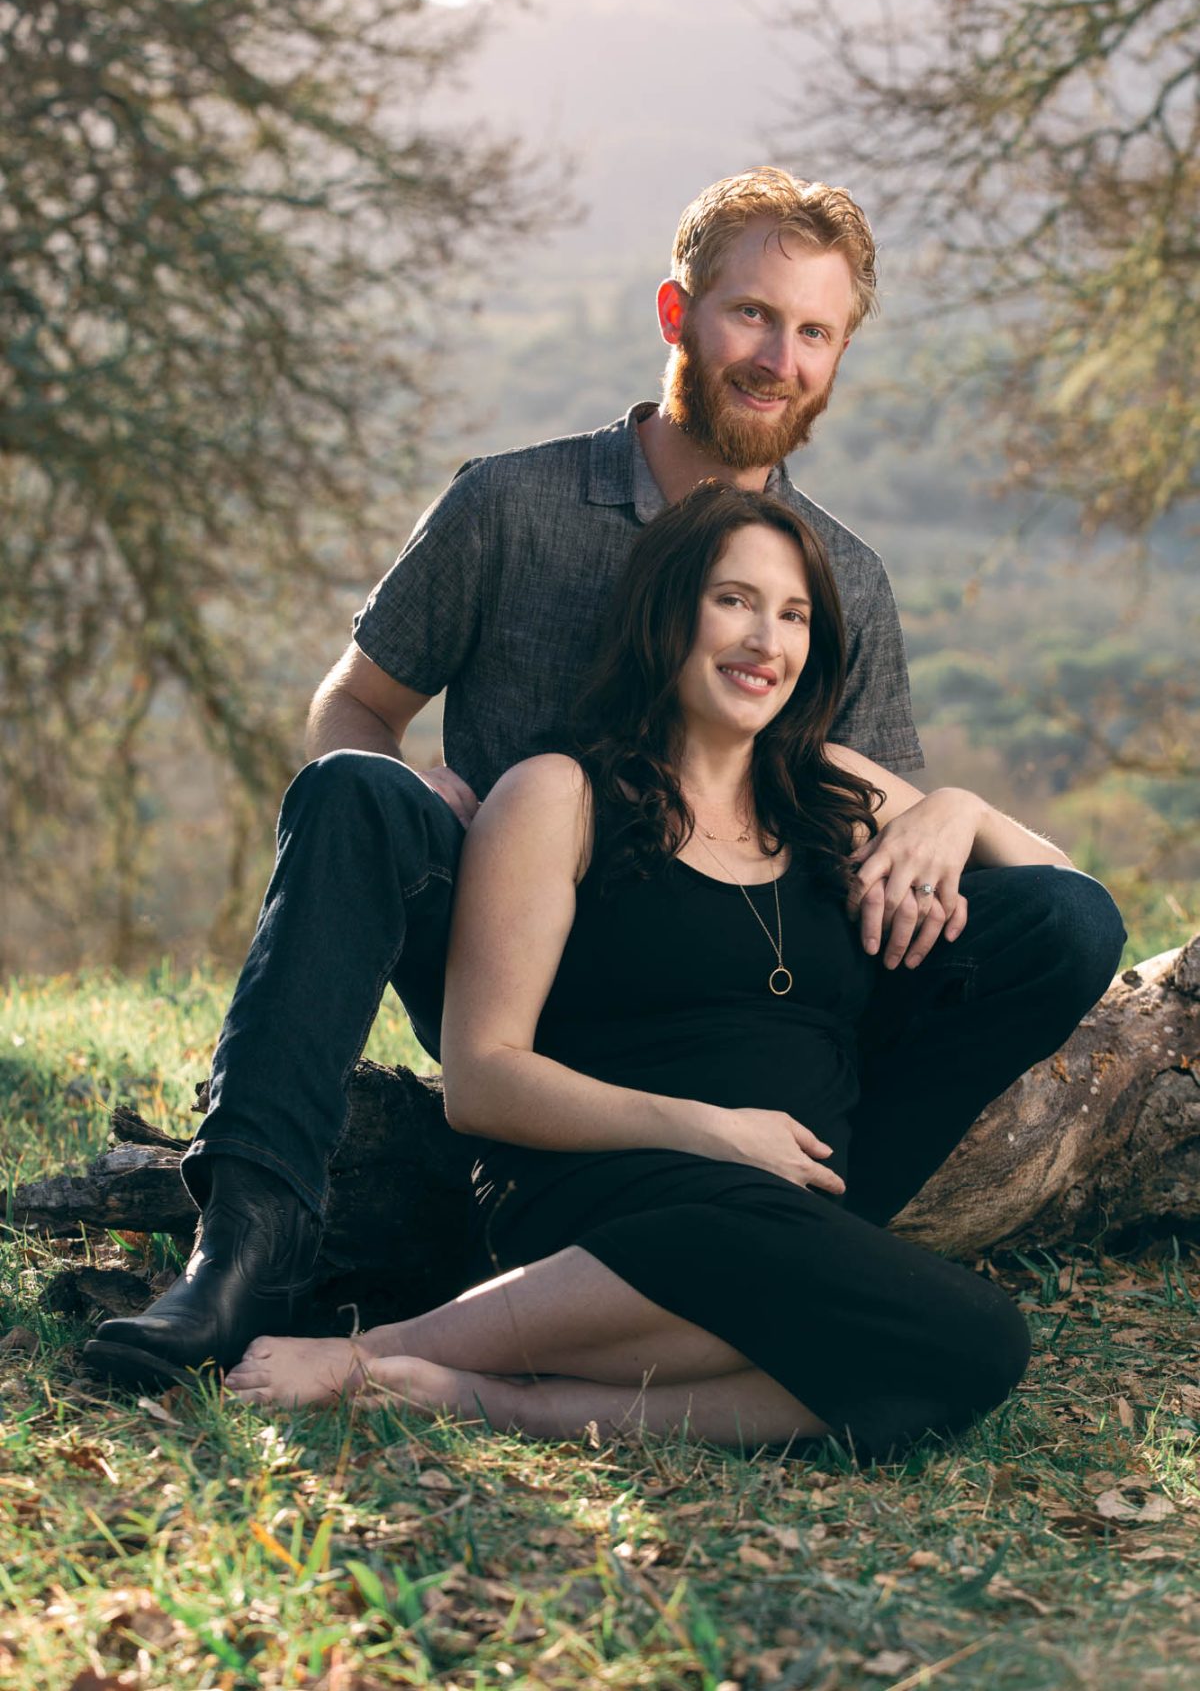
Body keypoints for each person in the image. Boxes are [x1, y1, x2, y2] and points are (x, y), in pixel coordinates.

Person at [84, 168, 1124, 1394]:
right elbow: (353, 704)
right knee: (354, 793)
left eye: (814, 332)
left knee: (1054, 918)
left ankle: (824, 1201)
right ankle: (242, 1250)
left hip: (730, 975)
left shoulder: (842, 573)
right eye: (752, 315)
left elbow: (869, 826)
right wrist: (430, 798)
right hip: (510, 941)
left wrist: (951, 810)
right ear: (678, 315)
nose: (777, 357)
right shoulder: (512, 504)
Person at [223, 487, 1065, 1457]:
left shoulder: (835, 794)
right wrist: (714, 1133)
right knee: (753, 1246)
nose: (767, 641)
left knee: (981, 1346)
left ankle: (486, 1398)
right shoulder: (558, 795)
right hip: (604, 1207)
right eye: (734, 602)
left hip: (781, 1220)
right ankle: (378, 1353)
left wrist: (955, 808)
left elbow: (1072, 906)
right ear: (668, 613)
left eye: (793, 616)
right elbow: (482, 1078)